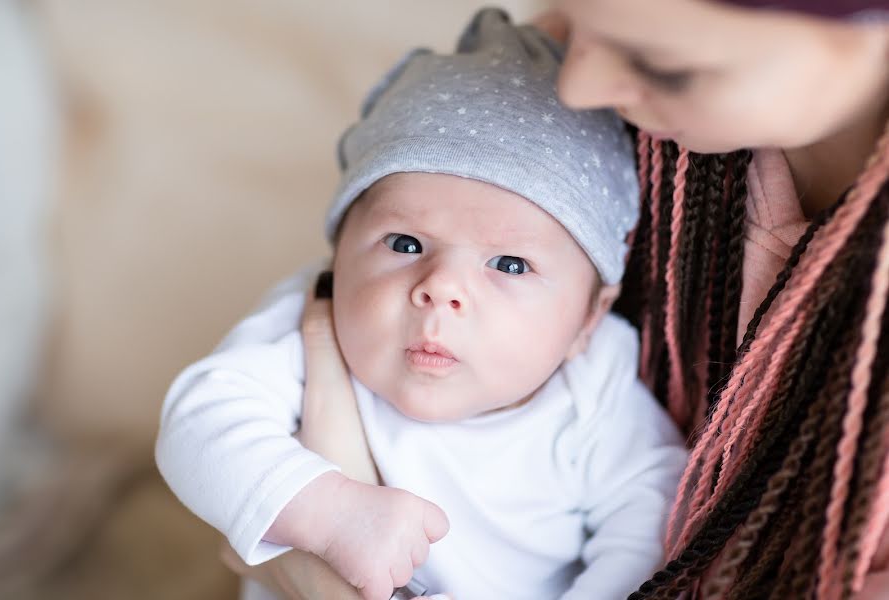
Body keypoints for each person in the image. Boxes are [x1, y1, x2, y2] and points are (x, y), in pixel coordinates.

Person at [223, 1, 889, 599]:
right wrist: (311, 508)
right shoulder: (555, 67)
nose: (578, 85)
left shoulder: (599, 402)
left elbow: (644, 509)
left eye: (662, 63)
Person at [155, 9, 687, 600]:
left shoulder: (596, 391)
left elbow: (653, 521)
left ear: (588, 318)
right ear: (340, 254)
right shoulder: (316, 322)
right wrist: (330, 511)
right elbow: (198, 424)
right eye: (405, 244)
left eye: (510, 265)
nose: (442, 287)